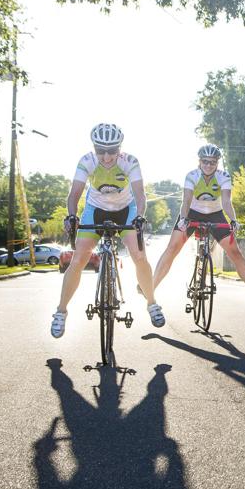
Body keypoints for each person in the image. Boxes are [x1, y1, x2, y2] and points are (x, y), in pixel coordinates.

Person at [51, 123, 164, 337]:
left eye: (112, 150)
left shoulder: (129, 161)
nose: (106, 157)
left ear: (119, 148)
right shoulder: (87, 161)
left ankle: (152, 303)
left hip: (125, 209)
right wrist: (72, 216)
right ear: (94, 148)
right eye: (100, 150)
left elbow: (140, 195)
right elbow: (74, 195)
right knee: (78, 259)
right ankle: (60, 312)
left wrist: (139, 216)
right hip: (96, 209)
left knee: (139, 255)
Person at [149, 144, 245, 304]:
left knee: (235, 253)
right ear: (199, 162)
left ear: (217, 163)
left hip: (215, 215)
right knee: (172, 248)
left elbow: (227, 202)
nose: (208, 165)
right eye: (205, 161)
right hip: (192, 213)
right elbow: (186, 200)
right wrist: (183, 218)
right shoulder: (191, 176)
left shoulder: (224, 177)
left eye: (212, 162)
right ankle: (150, 288)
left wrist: (233, 220)